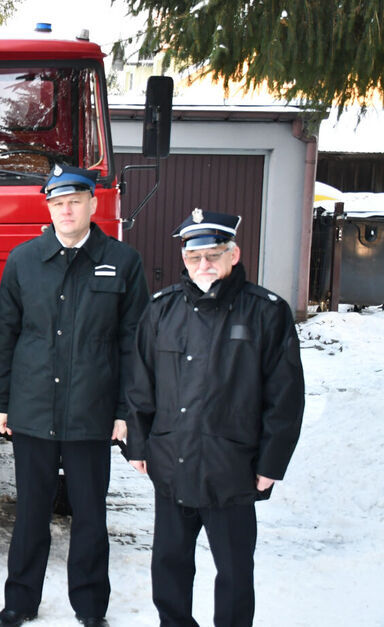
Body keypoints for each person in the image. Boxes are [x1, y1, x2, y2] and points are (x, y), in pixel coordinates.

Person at [125, 209, 304, 627]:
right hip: (172, 461)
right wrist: (138, 443)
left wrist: (271, 463)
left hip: (234, 467)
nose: (203, 265)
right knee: (168, 566)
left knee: (236, 572)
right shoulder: (161, 310)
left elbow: (285, 396)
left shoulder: (265, 312)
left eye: (213, 255)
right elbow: (139, 384)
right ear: (183, 259)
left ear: (234, 254)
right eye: (194, 257)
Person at [0, 165, 149, 627]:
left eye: (74, 201)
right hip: (34, 410)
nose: (66, 210)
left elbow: (132, 342)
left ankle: (90, 606)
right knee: (31, 516)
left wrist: (125, 411)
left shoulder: (122, 261)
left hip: (91, 413)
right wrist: (1, 402)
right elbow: (8, 335)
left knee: (91, 518)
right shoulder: (24, 259)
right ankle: (20, 602)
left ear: (93, 205)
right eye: (57, 203)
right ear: (49, 209)